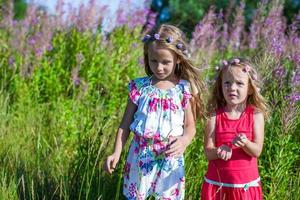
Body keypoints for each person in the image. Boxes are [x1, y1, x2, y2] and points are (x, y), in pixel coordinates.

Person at [104, 24, 205, 199]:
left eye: (165, 62)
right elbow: (125, 125)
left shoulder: (184, 89)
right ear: (147, 58)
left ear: (178, 59)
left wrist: (184, 141)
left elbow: (190, 126)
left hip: (170, 158)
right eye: (153, 61)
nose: (159, 67)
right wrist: (116, 152)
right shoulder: (139, 87)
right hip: (140, 155)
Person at [201, 58, 269, 200]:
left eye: (239, 83)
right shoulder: (214, 116)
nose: (232, 88)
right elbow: (208, 152)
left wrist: (245, 143)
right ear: (220, 86)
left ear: (250, 88)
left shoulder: (256, 115)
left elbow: (257, 151)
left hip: (245, 187)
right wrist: (219, 151)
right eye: (227, 82)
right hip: (217, 186)